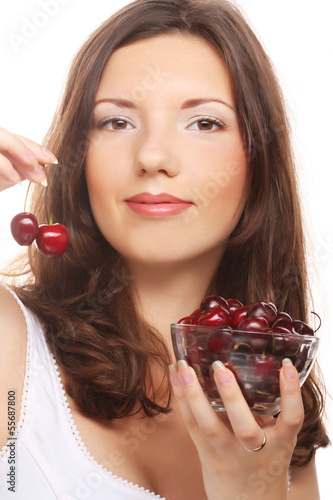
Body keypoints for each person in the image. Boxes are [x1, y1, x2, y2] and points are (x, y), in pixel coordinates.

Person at [0, 0, 330, 498]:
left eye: (204, 123)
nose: (153, 156)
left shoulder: (273, 399)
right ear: (78, 153)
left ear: (258, 159)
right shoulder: (10, 345)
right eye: (116, 122)